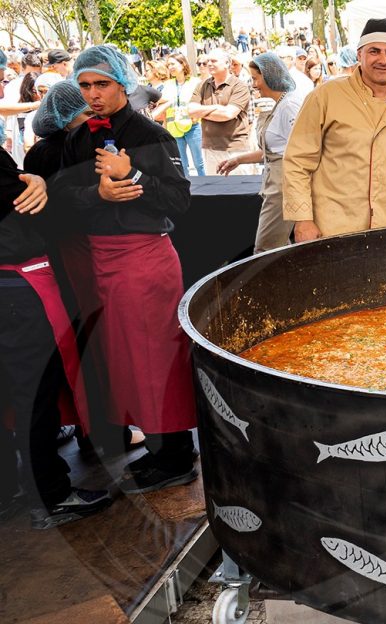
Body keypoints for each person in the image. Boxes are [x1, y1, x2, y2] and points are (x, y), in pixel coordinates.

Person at [52, 45, 198, 493]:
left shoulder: (151, 135)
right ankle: (164, 450)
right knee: (125, 362)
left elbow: (178, 200)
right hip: (100, 262)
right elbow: (61, 200)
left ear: (122, 83)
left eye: (102, 84)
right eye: (85, 86)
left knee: (157, 360)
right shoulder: (78, 139)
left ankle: (175, 455)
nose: (93, 94)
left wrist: (133, 176)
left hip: (145, 261)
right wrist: (99, 195)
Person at [0, 132, 110, 528]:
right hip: (15, 286)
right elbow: (28, 206)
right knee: (34, 392)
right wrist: (37, 182)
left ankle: (9, 489)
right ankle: (50, 495)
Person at [283, 18, 386, 242]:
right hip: (333, 227)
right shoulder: (325, 96)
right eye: (374, 51)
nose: (383, 60)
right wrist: (303, 219)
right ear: (359, 55)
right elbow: (297, 161)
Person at [216, 53, 304, 254]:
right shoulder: (282, 103)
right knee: (277, 248)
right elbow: (273, 150)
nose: (254, 85)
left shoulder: (289, 106)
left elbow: (300, 153)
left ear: (270, 76)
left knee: (266, 249)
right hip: (277, 182)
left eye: (256, 78)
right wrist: (238, 160)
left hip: (284, 185)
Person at [188, 50, 252, 175]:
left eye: (214, 61)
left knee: (239, 191)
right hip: (210, 148)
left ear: (227, 63)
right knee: (216, 191)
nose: (209, 64)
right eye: (207, 61)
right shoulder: (202, 85)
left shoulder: (239, 86)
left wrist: (202, 111)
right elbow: (191, 111)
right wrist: (217, 108)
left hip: (235, 149)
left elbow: (228, 114)